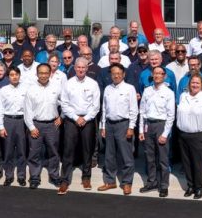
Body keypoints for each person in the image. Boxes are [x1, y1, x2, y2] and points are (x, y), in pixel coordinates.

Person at [58, 57, 101, 195]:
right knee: (68, 150)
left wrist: (85, 118)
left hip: (88, 120)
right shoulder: (68, 83)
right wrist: (76, 118)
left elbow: (96, 106)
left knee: (87, 150)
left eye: (83, 67)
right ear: (75, 68)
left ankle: (86, 178)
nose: (81, 69)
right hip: (72, 119)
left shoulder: (93, 84)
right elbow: (64, 104)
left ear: (87, 68)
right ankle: (64, 180)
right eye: (78, 67)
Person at [97, 63, 138, 195]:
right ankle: (110, 181)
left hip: (123, 125)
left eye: (119, 73)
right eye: (114, 73)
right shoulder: (108, 89)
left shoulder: (129, 88)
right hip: (109, 125)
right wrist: (103, 126)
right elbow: (104, 109)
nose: (116, 76)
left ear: (123, 74)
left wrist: (131, 127)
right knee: (109, 155)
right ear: (111, 75)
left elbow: (134, 109)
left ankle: (127, 183)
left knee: (126, 156)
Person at [24, 63, 63, 189]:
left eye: (46, 73)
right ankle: (34, 177)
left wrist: (61, 117)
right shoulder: (31, 89)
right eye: (41, 73)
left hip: (52, 125)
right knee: (34, 153)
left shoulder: (56, 87)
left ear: (50, 73)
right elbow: (27, 111)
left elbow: (65, 103)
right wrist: (31, 127)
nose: (43, 75)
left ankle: (54, 176)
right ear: (37, 74)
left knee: (54, 152)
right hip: (36, 125)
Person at [139, 66, 175, 198]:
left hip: (161, 125)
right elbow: (142, 111)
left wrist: (165, 134)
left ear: (164, 76)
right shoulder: (147, 90)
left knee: (163, 159)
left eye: (160, 73)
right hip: (148, 125)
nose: (157, 76)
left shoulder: (168, 92)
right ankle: (152, 182)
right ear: (152, 75)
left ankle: (164, 186)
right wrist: (141, 130)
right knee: (150, 157)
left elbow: (171, 115)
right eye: (155, 73)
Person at [0, 66, 28, 187]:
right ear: (8, 77)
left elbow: (29, 108)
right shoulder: (3, 90)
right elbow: (0, 109)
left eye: (16, 74)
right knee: (8, 151)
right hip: (8, 121)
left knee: (22, 151)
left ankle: (21, 176)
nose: (14, 77)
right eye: (11, 75)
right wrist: (1, 126)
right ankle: (9, 176)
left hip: (21, 121)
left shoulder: (26, 89)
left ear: (19, 75)